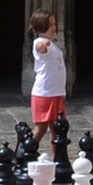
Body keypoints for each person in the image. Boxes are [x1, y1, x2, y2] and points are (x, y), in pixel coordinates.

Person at [29, 9, 66, 150]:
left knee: (56, 128)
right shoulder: (40, 42)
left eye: (54, 24)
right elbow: (40, 48)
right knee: (41, 128)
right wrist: (44, 44)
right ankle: (24, 152)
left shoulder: (52, 44)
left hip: (55, 92)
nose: (54, 27)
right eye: (50, 24)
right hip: (45, 93)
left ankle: (58, 159)